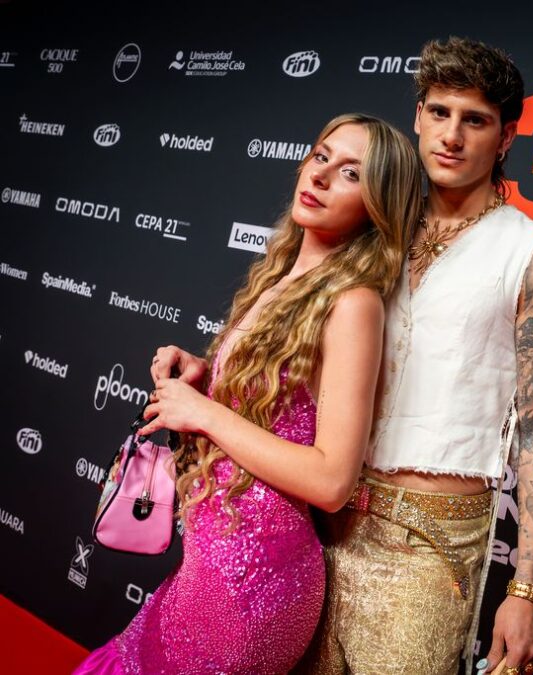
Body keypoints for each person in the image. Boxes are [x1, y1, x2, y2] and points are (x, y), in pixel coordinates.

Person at [73, 113, 423, 674]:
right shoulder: (282, 277)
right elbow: (278, 410)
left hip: (255, 582)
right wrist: (205, 375)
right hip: (209, 561)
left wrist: (203, 412)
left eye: (351, 173)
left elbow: (332, 481)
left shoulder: (354, 304)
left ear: (377, 205)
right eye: (321, 156)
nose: (321, 175)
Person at [297, 37, 533, 675]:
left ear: (505, 138)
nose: (451, 136)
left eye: (474, 120)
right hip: (319, 520)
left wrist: (528, 588)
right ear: (418, 117)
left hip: (431, 544)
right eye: (439, 113)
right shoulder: (374, 227)